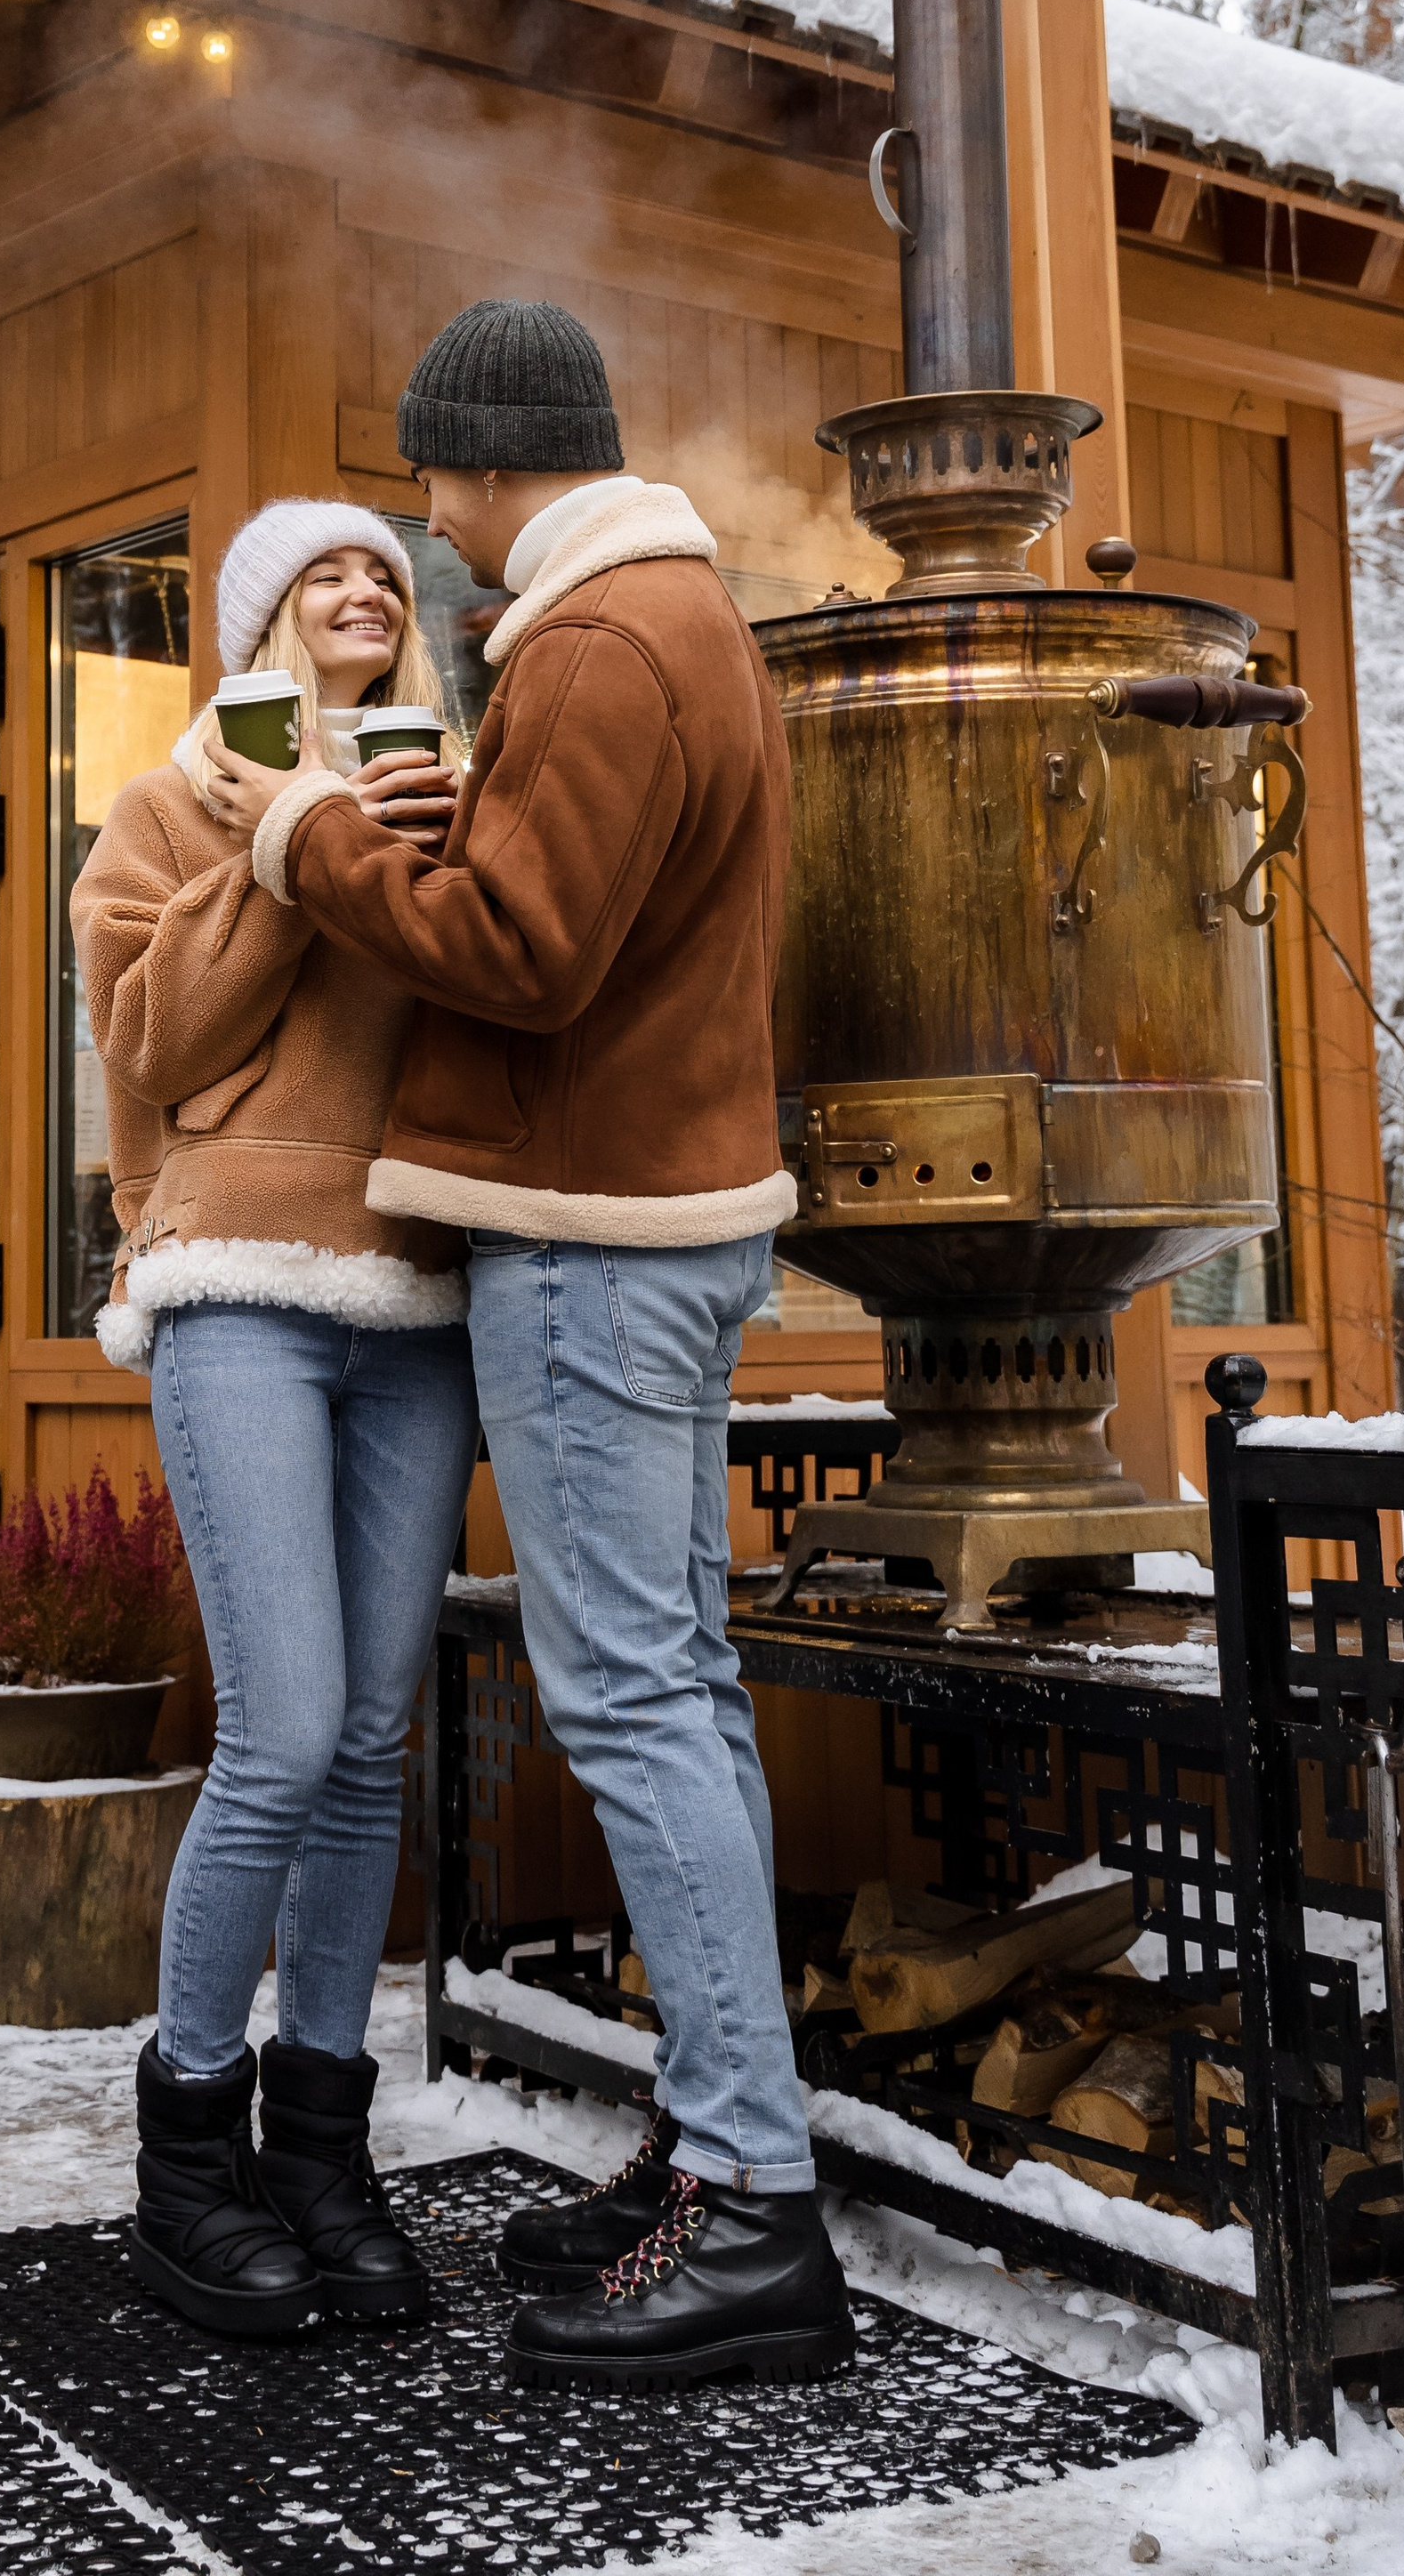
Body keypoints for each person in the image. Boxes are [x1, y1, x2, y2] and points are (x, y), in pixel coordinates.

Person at [201, 301, 855, 2393]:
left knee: (632, 1700)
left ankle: (749, 2209)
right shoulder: (689, 622)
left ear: (489, 467)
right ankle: (714, 2145)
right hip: (669, 1224)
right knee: (681, 1686)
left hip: (585, 1240)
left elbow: (524, 952)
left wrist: (310, 844)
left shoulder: (584, 639)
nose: (423, 523)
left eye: (430, 482)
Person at [70, 499, 477, 2342]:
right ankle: (185, 2158)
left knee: (370, 1742)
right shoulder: (169, 805)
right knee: (284, 1727)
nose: (357, 589)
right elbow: (154, 1048)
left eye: (384, 575)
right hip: (233, 1269)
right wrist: (287, 841)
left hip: (418, 1296)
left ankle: (322, 2147)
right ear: (253, 627)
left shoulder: (454, 794)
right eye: (320, 573)